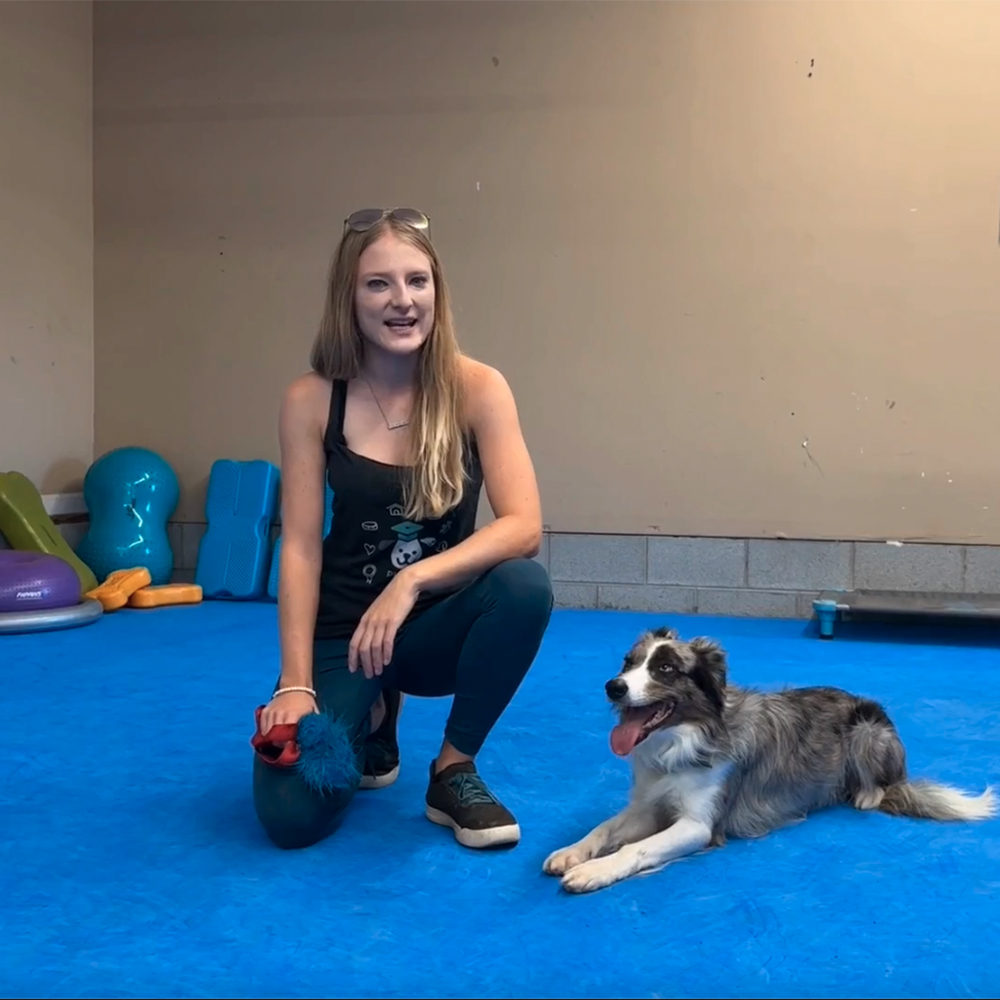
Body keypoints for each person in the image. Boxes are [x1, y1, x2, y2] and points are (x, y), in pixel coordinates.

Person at [252, 207, 553, 851]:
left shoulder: (478, 388)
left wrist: (412, 581)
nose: (402, 301)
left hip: (433, 625)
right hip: (344, 632)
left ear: (437, 290)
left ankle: (452, 769)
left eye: (417, 281)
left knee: (524, 586)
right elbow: (301, 547)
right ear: (349, 297)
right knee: (291, 817)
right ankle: (374, 713)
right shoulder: (311, 398)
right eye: (378, 283)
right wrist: (297, 682)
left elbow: (524, 526)